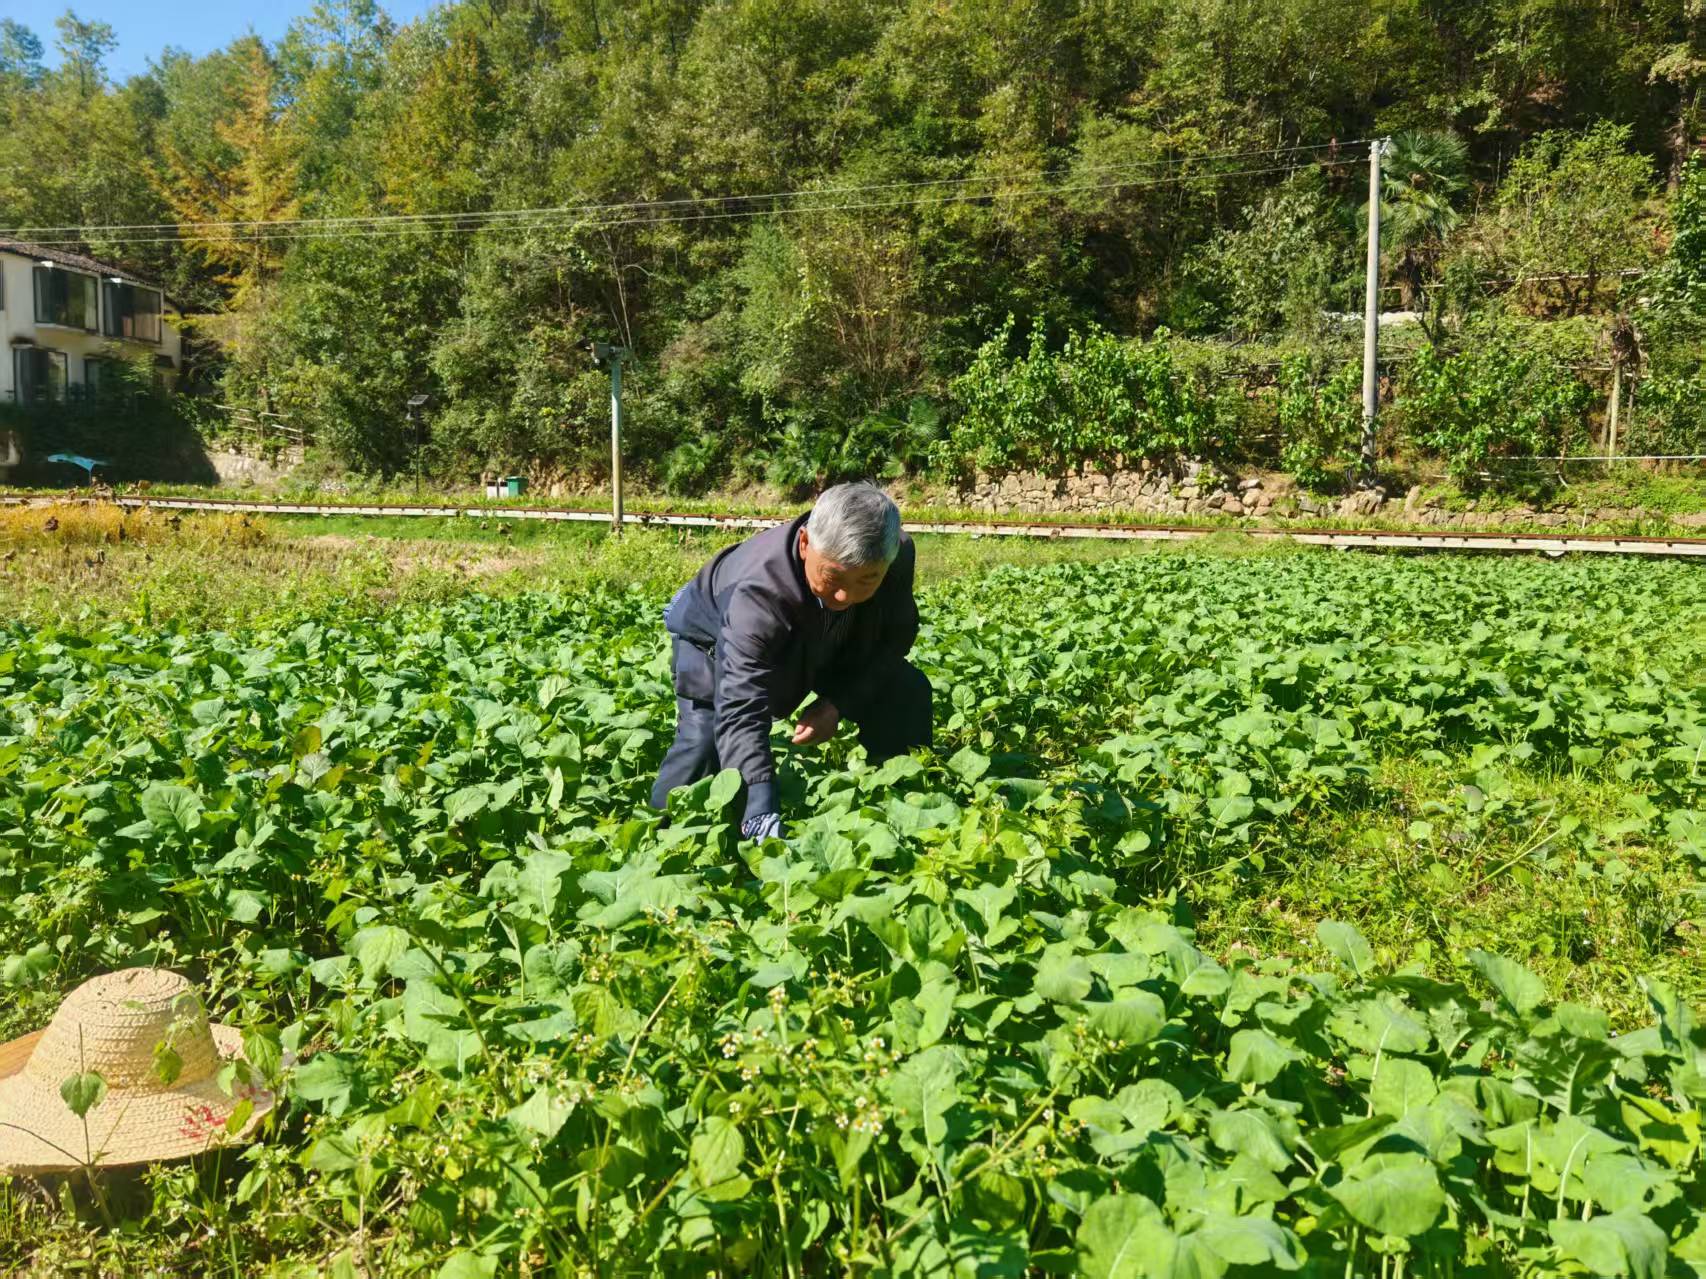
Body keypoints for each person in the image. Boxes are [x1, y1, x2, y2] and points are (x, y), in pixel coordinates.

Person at [650, 481, 932, 838]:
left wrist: (838, 705)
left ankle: (904, 811)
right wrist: (761, 809)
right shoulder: (758, 590)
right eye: (832, 576)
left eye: (866, 581)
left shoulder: (894, 554)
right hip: (712, 639)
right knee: (704, 741)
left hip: (825, 633)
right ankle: (660, 838)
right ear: (804, 544)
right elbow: (741, 706)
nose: (845, 594)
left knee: (904, 690)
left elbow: (893, 643)